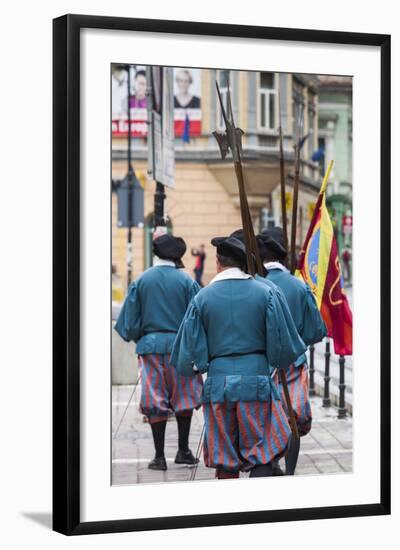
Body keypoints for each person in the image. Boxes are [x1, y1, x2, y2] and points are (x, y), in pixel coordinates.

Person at [171, 236, 306, 479]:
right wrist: (274, 363)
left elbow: (188, 352)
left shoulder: (202, 297)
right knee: (263, 450)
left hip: (218, 382)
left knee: (224, 455)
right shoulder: (266, 293)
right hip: (256, 379)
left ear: (218, 262)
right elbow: (282, 344)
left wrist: (198, 367)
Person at [114, 234, 203, 471]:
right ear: (177, 257)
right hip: (180, 347)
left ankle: (159, 457)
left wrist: (142, 337)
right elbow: (197, 319)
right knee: (184, 396)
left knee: (154, 397)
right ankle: (183, 451)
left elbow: (128, 323)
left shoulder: (141, 281)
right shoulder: (187, 282)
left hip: (150, 347)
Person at [257, 227, 327, 474]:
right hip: (294, 364)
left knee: (267, 417)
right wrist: (298, 339)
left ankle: (272, 462)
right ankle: (290, 471)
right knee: (293, 418)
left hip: (262, 363)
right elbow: (317, 330)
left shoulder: (256, 284)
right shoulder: (298, 286)